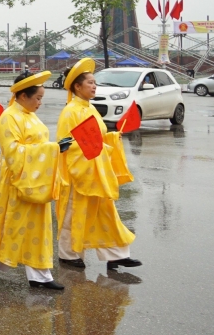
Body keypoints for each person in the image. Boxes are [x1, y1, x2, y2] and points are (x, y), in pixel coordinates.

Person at [0, 71, 65, 290]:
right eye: (38, 98)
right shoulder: (9, 117)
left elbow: (36, 145)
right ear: (23, 96)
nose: (40, 103)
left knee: (37, 229)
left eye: (41, 98)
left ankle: (40, 275)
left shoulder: (28, 114)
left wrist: (54, 149)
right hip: (20, 180)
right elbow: (12, 151)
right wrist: (53, 149)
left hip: (37, 178)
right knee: (14, 227)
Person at [56, 58, 142, 272]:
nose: (95, 86)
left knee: (107, 212)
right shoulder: (71, 111)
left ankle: (116, 255)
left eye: (95, 83)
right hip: (80, 172)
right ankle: (68, 254)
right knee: (74, 214)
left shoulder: (90, 108)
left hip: (97, 170)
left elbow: (98, 136)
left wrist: (112, 138)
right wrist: (92, 146)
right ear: (77, 86)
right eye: (90, 83)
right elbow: (65, 143)